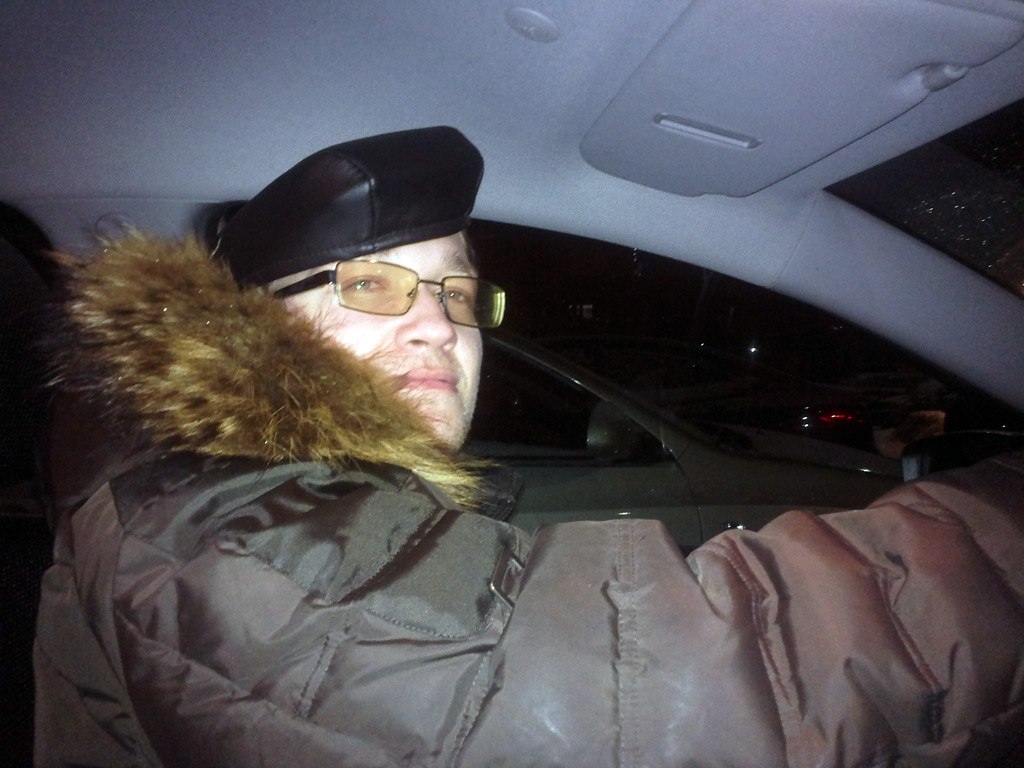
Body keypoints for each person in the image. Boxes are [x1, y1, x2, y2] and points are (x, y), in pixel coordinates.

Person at [34, 126, 1024, 767]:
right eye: (371, 285)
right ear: (254, 328)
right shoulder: (225, 528)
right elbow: (643, 699)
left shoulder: (205, 495)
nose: (438, 324)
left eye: (456, 290)